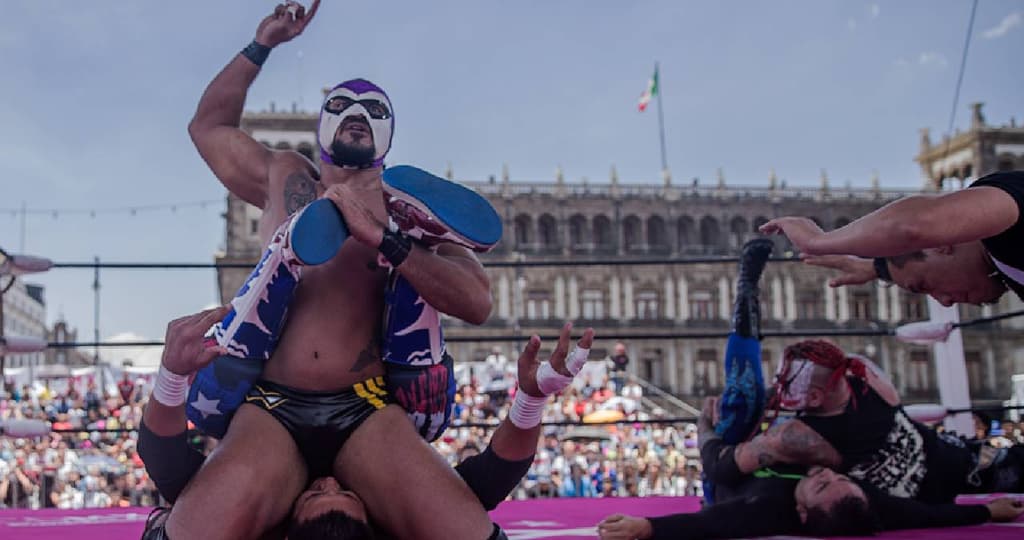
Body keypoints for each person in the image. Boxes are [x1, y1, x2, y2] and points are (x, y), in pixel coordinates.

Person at [158, 2, 509, 538]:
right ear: (322, 127)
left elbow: (476, 303)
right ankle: (294, 247)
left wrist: (388, 241)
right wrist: (262, 44)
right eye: (343, 104)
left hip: (364, 406)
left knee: (469, 534)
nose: (358, 112)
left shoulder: (416, 212)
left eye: (374, 110)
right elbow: (207, 126)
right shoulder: (283, 176)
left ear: (388, 140)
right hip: (272, 404)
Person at [140, 306, 597, 539]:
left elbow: (165, 461)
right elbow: (493, 476)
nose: (327, 480)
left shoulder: (239, 524)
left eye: (315, 494)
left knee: (192, 521)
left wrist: (172, 376)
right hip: (371, 408)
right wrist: (532, 399)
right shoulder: (402, 525)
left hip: (270, 405)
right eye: (345, 493)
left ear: (282, 527)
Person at [773, 339, 1024, 503]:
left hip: (966, 469)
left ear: (815, 394)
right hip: (962, 464)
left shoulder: (799, 435)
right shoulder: (867, 381)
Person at [760, 170, 1024, 305]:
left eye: (923, 286)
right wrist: (876, 268)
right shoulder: (1006, 263)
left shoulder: (1005, 231)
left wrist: (817, 242)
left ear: (940, 244)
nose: (944, 301)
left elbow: (913, 226)